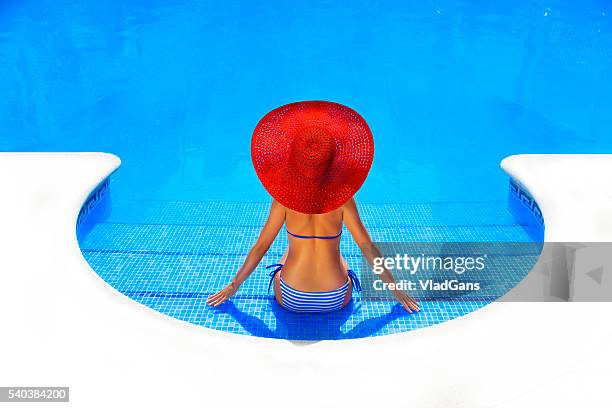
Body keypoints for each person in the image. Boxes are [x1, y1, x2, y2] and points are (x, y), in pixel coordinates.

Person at [206, 101, 419, 313]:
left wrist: (233, 286)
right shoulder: (343, 199)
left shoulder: (284, 199)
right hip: (335, 297)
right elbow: (366, 247)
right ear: (332, 160)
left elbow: (262, 246)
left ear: (294, 158)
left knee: (290, 249)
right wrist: (396, 289)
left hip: (292, 296)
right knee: (338, 254)